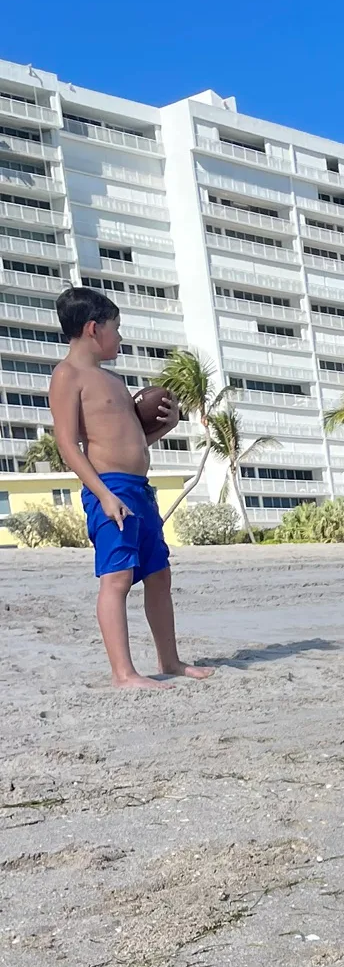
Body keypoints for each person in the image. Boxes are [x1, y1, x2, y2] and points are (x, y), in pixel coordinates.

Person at [47, 286, 213, 689]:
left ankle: (169, 661)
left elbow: (132, 440)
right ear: (92, 328)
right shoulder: (68, 376)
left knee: (158, 574)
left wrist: (165, 429)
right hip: (109, 489)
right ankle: (124, 673)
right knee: (117, 578)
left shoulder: (116, 382)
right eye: (115, 328)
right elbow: (68, 444)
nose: (120, 337)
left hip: (140, 488)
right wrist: (104, 495)